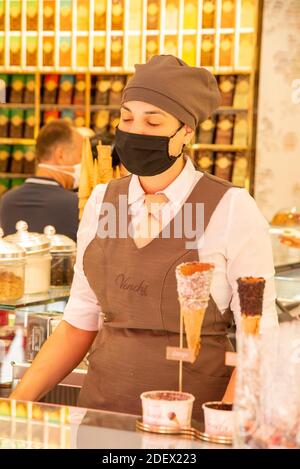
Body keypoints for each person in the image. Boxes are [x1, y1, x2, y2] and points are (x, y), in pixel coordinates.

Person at [10, 55, 278, 422]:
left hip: (193, 421)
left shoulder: (231, 208)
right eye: (127, 117)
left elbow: (258, 336)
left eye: (153, 121)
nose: (136, 131)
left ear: (186, 131)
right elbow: (79, 321)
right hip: (101, 416)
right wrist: (15, 404)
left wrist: (226, 424)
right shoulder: (104, 201)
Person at [0, 120, 83, 241]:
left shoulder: (7, 201)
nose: (83, 164)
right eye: (80, 155)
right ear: (60, 155)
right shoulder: (77, 204)